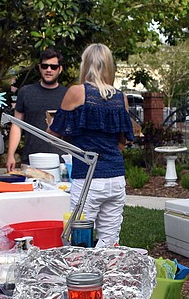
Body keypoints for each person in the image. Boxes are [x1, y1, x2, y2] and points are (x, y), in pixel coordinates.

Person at [49, 43, 134, 247]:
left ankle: (81, 269)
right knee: (109, 242)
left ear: (85, 65)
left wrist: (52, 124)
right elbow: (123, 141)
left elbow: (53, 134)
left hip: (88, 179)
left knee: (79, 241)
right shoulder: (120, 98)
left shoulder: (77, 92)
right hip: (116, 177)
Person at [5, 48, 68, 171]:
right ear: (39, 67)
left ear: (60, 69)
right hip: (30, 161)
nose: (48, 70)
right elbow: (17, 125)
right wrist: (11, 155)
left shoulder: (68, 95)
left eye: (53, 67)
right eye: (45, 66)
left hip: (61, 162)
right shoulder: (26, 92)